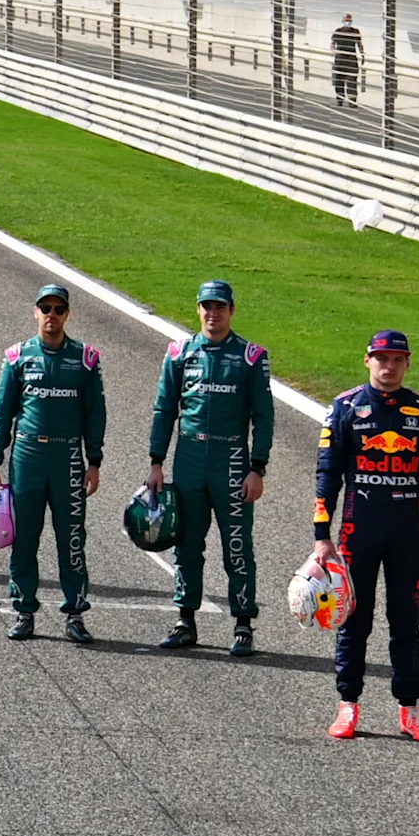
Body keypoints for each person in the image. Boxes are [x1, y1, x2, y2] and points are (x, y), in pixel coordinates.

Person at [314, 329, 419, 741]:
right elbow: (326, 476)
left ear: (407, 363)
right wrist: (322, 536)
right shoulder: (343, 407)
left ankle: (409, 710)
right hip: (359, 529)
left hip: (411, 531)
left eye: (396, 359)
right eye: (381, 358)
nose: (388, 366)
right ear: (367, 360)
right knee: (354, 619)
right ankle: (347, 706)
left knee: (407, 622)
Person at [144, 278, 275, 657]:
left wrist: (257, 468)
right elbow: (164, 410)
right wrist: (156, 462)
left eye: (220, 307)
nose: (212, 313)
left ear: (232, 310)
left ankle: (243, 624)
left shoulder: (251, 356)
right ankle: (186, 620)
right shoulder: (179, 352)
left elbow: (263, 417)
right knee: (185, 542)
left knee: (237, 545)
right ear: (198, 309)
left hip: (232, 459)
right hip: (188, 457)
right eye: (206, 306)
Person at [0, 284, 107, 642]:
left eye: (58, 308)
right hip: (27, 457)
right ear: (35, 311)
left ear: (68, 314)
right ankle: (23, 611)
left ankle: (75, 614)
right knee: (25, 539)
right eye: (45, 308)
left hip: (68, 457)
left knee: (71, 540)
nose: (51, 314)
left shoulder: (86, 359)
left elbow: (95, 414)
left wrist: (93, 460)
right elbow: (2, 412)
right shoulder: (18, 356)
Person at [330, 14, 365, 106]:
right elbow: (332, 44)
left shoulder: (355, 31)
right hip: (340, 60)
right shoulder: (338, 31)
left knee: (352, 81)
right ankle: (340, 99)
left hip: (351, 60)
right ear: (343, 21)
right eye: (346, 20)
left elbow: (359, 44)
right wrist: (335, 51)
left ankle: (352, 101)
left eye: (349, 20)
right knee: (339, 81)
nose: (348, 22)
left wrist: (362, 54)